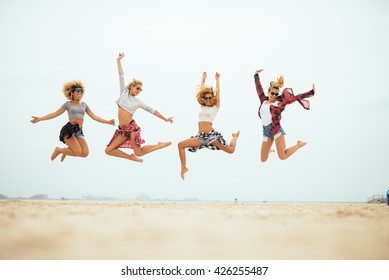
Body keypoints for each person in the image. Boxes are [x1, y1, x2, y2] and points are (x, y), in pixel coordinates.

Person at [105, 52, 174, 163]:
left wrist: (165, 118)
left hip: (132, 128)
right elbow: (121, 75)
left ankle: (159, 145)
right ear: (131, 86)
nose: (138, 91)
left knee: (139, 152)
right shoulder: (124, 92)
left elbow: (152, 110)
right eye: (137, 88)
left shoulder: (138, 102)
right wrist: (118, 60)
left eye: (140, 90)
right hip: (123, 131)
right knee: (108, 150)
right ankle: (130, 157)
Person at [31, 81, 115, 161]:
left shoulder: (84, 105)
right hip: (69, 130)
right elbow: (55, 113)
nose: (80, 92)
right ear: (72, 93)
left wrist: (108, 122)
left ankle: (68, 151)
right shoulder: (68, 104)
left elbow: (94, 116)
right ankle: (59, 150)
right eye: (77, 90)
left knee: (85, 153)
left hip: (78, 131)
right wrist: (40, 119)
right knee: (77, 152)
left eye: (82, 91)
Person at [178, 72, 240, 180]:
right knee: (180, 145)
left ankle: (235, 137)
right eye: (205, 98)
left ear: (212, 98)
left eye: (209, 97)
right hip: (200, 137)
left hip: (211, 136)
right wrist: (203, 79)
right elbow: (200, 91)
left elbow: (218, 92)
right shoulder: (202, 106)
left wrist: (217, 81)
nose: (207, 99)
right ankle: (183, 168)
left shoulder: (215, 107)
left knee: (231, 150)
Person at [254, 69, 315, 162]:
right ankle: (268, 149)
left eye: (276, 94)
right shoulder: (263, 100)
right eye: (272, 93)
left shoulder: (279, 103)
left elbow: (295, 97)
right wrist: (256, 75)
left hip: (276, 130)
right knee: (263, 159)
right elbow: (258, 88)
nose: (274, 95)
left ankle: (298, 145)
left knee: (282, 156)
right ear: (268, 92)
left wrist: (311, 92)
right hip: (266, 131)